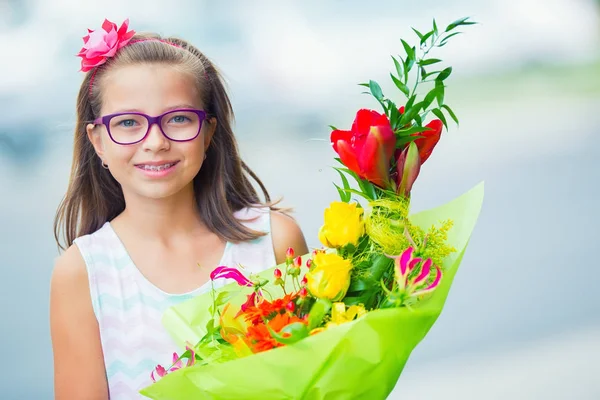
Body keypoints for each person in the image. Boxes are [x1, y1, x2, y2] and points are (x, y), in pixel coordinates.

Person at [49, 19, 308, 400]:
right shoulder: (83, 273)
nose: (155, 142)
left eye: (179, 119)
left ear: (209, 132)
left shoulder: (274, 242)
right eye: (128, 123)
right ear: (98, 141)